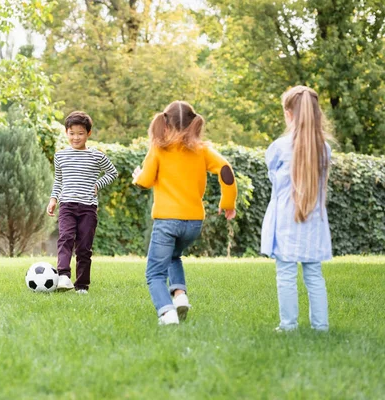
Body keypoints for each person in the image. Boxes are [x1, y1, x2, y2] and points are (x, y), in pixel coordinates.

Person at [132, 101, 237, 325]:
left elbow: (146, 180)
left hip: (167, 221)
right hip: (193, 224)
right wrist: (228, 202)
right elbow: (226, 170)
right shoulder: (203, 150)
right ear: (193, 124)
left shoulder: (159, 148)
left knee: (155, 273)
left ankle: (166, 312)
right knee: (173, 256)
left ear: (166, 124)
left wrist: (137, 176)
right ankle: (180, 297)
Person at [261, 86, 332, 332]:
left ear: (289, 114)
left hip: (286, 221)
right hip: (314, 221)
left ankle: (288, 326)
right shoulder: (325, 149)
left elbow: (274, 179)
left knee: (286, 276)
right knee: (314, 275)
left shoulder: (279, 148)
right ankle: (321, 327)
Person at [47, 111, 118, 293]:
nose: (76, 137)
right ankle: (63, 276)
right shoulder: (60, 156)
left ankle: (82, 285)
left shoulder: (97, 156)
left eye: (80, 133)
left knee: (84, 248)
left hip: (88, 208)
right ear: (66, 133)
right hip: (67, 206)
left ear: (88, 134)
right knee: (65, 238)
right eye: (72, 133)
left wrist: (98, 184)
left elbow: (112, 173)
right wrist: (53, 199)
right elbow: (59, 180)